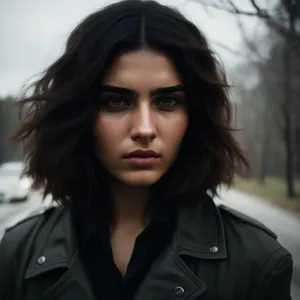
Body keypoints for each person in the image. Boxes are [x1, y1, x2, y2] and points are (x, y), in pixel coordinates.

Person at [0, 0, 293, 299]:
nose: (144, 129)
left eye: (167, 102)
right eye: (117, 101)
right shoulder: (16, 255)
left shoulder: (257, 262)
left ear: (194, 115)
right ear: (79, 114)